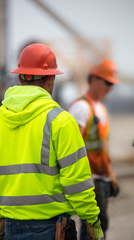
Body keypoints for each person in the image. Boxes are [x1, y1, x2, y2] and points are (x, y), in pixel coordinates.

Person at [0, 43, 104, 240]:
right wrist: (92, 221)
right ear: (50, 79)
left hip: (11, 227)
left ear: (20, 78)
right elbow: (77, 182)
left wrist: (0, 217)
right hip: (52, 229)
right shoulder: (61, 122)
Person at [68, 59, 120, 240]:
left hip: (101, 179)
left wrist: (110, 175)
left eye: (112, 84)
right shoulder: (81, 108)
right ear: (95, 79)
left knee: (100, 228)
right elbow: (72, 149)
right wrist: (85, 179)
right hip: (91, 182)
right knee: (92, 230)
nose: (110, 87)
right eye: (108, 82)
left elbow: (103, 148)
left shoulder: (100, 108)